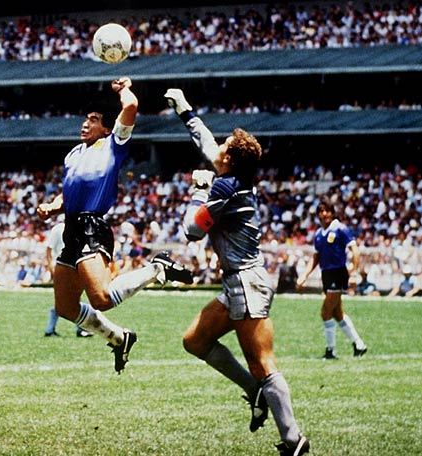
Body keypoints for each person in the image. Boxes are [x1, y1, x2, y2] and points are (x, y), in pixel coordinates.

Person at [165, 88, 309, 455]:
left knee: (262, 362)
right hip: (238, 282)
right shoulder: (233, 179)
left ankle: (294, 440)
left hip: (246, 282)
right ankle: (254, 391)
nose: (218, 150)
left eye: (224, 148)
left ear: (228, 160)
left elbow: (192, 230)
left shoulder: (226, 187)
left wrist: (199, 190)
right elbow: (208, 143)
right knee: (194, 340)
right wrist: (185, 110)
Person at [37, 77, 192, 374]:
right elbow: (68, 192)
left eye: (93, 120)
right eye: (85, 119)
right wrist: (53, 206)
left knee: (103, 298)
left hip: (92, 226)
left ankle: (157, 269)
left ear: (106, 128)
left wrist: (124, 90)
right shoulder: (73, 154)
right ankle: (120, 338)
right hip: (71, 227)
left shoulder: (113, 144)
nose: (85, 124)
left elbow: (131, 106)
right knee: (66, 308)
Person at [296, 200, 368, 360]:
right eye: (321, 211)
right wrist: (304, 275)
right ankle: (359, 344)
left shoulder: (340, 229)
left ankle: (331, 350)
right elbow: (315, 258)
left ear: (332, 212)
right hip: (326, 274)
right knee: (337, 313)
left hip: (338, 273)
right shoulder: (318, 234)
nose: (324, 214)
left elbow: (355, 250)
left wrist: (354, 272)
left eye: (327, 210)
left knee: (325, 312)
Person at [44, 220, 92, 338]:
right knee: (64, 299)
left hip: (75, 267)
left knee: (71, 298)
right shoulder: (58, 229)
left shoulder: (80, 228)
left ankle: (51, 329)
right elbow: (49, 250)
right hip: (62, 267)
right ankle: (78, 329)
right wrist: (51, 268)